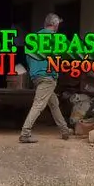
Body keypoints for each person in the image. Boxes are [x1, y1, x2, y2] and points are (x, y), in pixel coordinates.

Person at [19, 13, 72, 143]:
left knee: (54, 104)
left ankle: (64, 130)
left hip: (36, 77)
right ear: (55, 25)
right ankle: (25, 133)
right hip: (48, 77)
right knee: (38, 105)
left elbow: (28, 58)